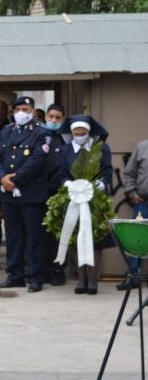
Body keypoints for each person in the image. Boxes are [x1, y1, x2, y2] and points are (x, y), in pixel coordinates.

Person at [0, 96, 51, 293]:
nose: (21, 113)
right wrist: (2, 178)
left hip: (31, 193)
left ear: (33, 111)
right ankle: (15, 275)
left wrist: (14, 180)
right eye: (18, 109)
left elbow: (37, 160)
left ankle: (36, 277)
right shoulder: (6, 131)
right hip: (8, 195)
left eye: (25, 109)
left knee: (35, 237)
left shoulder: (42, 133)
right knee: (13, 236)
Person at [56, 115, 113, 294]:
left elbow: (107, 170)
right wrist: (69, 185)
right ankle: (80, 277)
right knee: (75, 237)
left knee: (95, 238)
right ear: (71, 133)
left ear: (90, 132)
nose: (80, 136)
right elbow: (61, 172)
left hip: (95, 199)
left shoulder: (101, 149)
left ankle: (93, 278)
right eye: (76, 133)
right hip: (73, 199)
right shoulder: (65, 150)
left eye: (83, 133)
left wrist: (100, 185)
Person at [42, 103, 68, 285]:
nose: (53, 120)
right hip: (39, 192)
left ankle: (58, 270)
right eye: (51, 116)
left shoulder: (65, 138)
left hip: (59, 192)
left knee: (59, 234)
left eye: (58, 118)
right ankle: (41, 270)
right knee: (40, 234)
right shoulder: (39, 135)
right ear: (45, 116)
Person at [123, 138, 148, 289]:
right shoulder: (142, 147)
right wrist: (132, 193)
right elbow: (129, 173)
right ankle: (133, 277)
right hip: (143, 202)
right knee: (136, 240)